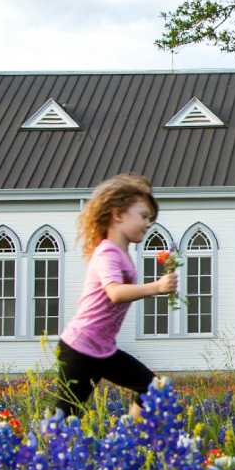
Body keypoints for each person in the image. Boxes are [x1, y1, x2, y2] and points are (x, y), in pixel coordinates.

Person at [55, 173, 176, 418]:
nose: (147, 223)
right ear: (118, 215)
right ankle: (35, 453)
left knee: (153, 388)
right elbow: (115, 293)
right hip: (80, 347)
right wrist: (156, 287)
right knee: (66, 418)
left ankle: (129, 439)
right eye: (143, 216)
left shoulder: (121, 254)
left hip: (103, 349)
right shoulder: (107, 252)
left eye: (150, 219)